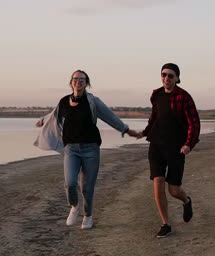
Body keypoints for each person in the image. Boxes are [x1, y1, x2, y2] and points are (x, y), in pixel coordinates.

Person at [34, 69, 138, 229]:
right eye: (75, 79)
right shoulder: (63, 101)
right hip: (71, 149)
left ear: (86, 83)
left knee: (87, 188)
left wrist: (125, 129)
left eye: (82, 79)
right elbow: (54, 115)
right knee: (69, 183)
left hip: (91, 149)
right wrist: (42, 119)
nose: (78, 81)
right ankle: (74, 206)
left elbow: (109, 116)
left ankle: (88, 216)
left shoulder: (92, 101)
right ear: (71, 82)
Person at [136, 63, 200, 238]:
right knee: (158, 183)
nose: (166, 78)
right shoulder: (156, 95)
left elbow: (193, 124)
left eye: (170, 76)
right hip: (156, 145)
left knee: (174, 190)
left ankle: (186, 201)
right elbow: (154, 117)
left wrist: (188, 144)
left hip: (176, 148)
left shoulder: (184, 97)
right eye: (163, 74)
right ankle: (166, 224)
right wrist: (144, 133)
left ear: (177, 78)